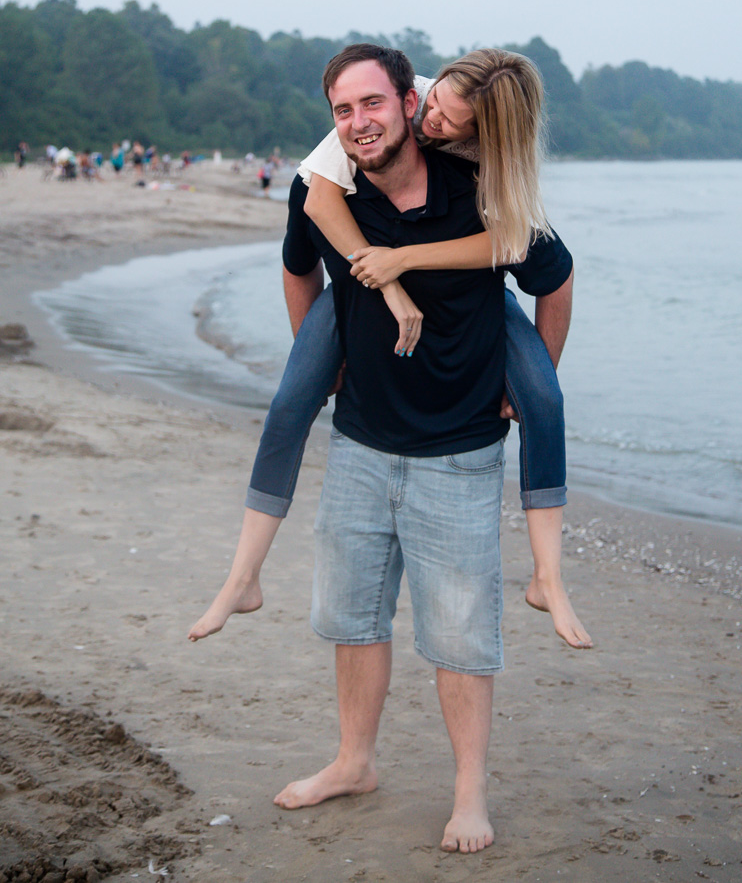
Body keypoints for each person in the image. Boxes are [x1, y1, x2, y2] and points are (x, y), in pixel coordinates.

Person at [263, 44, 574, 849]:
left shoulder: (483, 188)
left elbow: (555, 278)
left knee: (463, 634)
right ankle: (352, 762)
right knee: (354, 617)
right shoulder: (333, 182)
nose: (367, 122)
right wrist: (318, 357)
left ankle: (469, 794)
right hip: (361, 442)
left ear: (409, 101)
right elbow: (298, 264)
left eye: (384, 106)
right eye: (346, 109)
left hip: (461, 449)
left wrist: (531, 371)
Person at [190, 49, 590, 653]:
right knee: (292, 399)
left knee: (545, 399)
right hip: (356, 290)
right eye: (433, 105)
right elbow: (317, 203)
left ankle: (549, 578)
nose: (432, 120)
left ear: (482, 134)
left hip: (467, 302)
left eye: (450, 123)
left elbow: (519, 248)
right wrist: (333, 347)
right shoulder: (387, 106)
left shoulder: (488, 168)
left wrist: (528, 367)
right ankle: (243, 577)